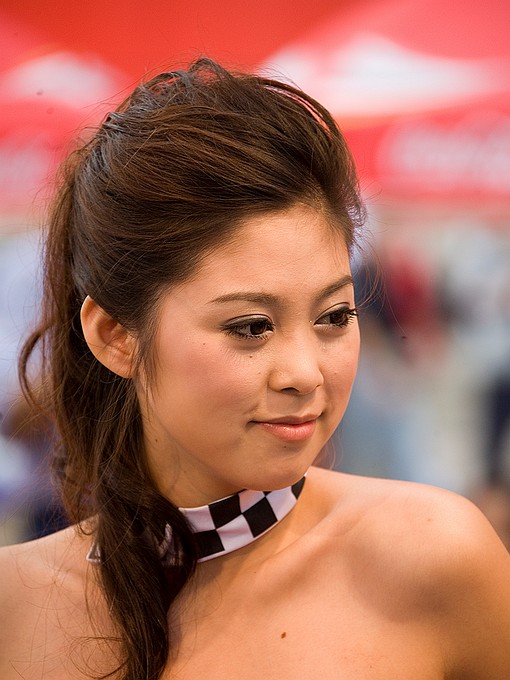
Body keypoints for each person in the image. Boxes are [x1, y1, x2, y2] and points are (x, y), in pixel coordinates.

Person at [0, 58, 509, 680]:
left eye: (334, 316)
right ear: (115, 337)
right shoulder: (14, 607)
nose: (304, 373)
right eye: (251, 327)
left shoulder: (432, 557)